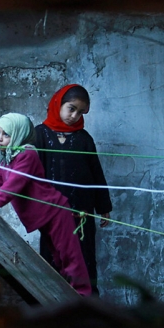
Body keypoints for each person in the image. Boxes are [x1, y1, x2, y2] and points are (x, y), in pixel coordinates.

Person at [0, 113, 92, 296]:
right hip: (44, 216)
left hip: (55, 211)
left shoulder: (27, 154)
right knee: (58, 257)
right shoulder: (10, 157)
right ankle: (68, 296)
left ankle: (82, 295)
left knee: (69, 256)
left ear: (19, 134)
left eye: (6, 134)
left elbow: (15, 183)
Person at [35, 84, 112, 295]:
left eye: (80, 112)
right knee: (53, 256)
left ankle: (86, 306)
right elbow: (31, 172)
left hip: (82, 214)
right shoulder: (39, 135)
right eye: (71, 108)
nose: (75, 116)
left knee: (83, 258)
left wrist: (103, 206)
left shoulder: (84, 139)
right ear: (58, 103)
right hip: (52, 214)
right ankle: (52, 303)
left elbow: (96, 173)